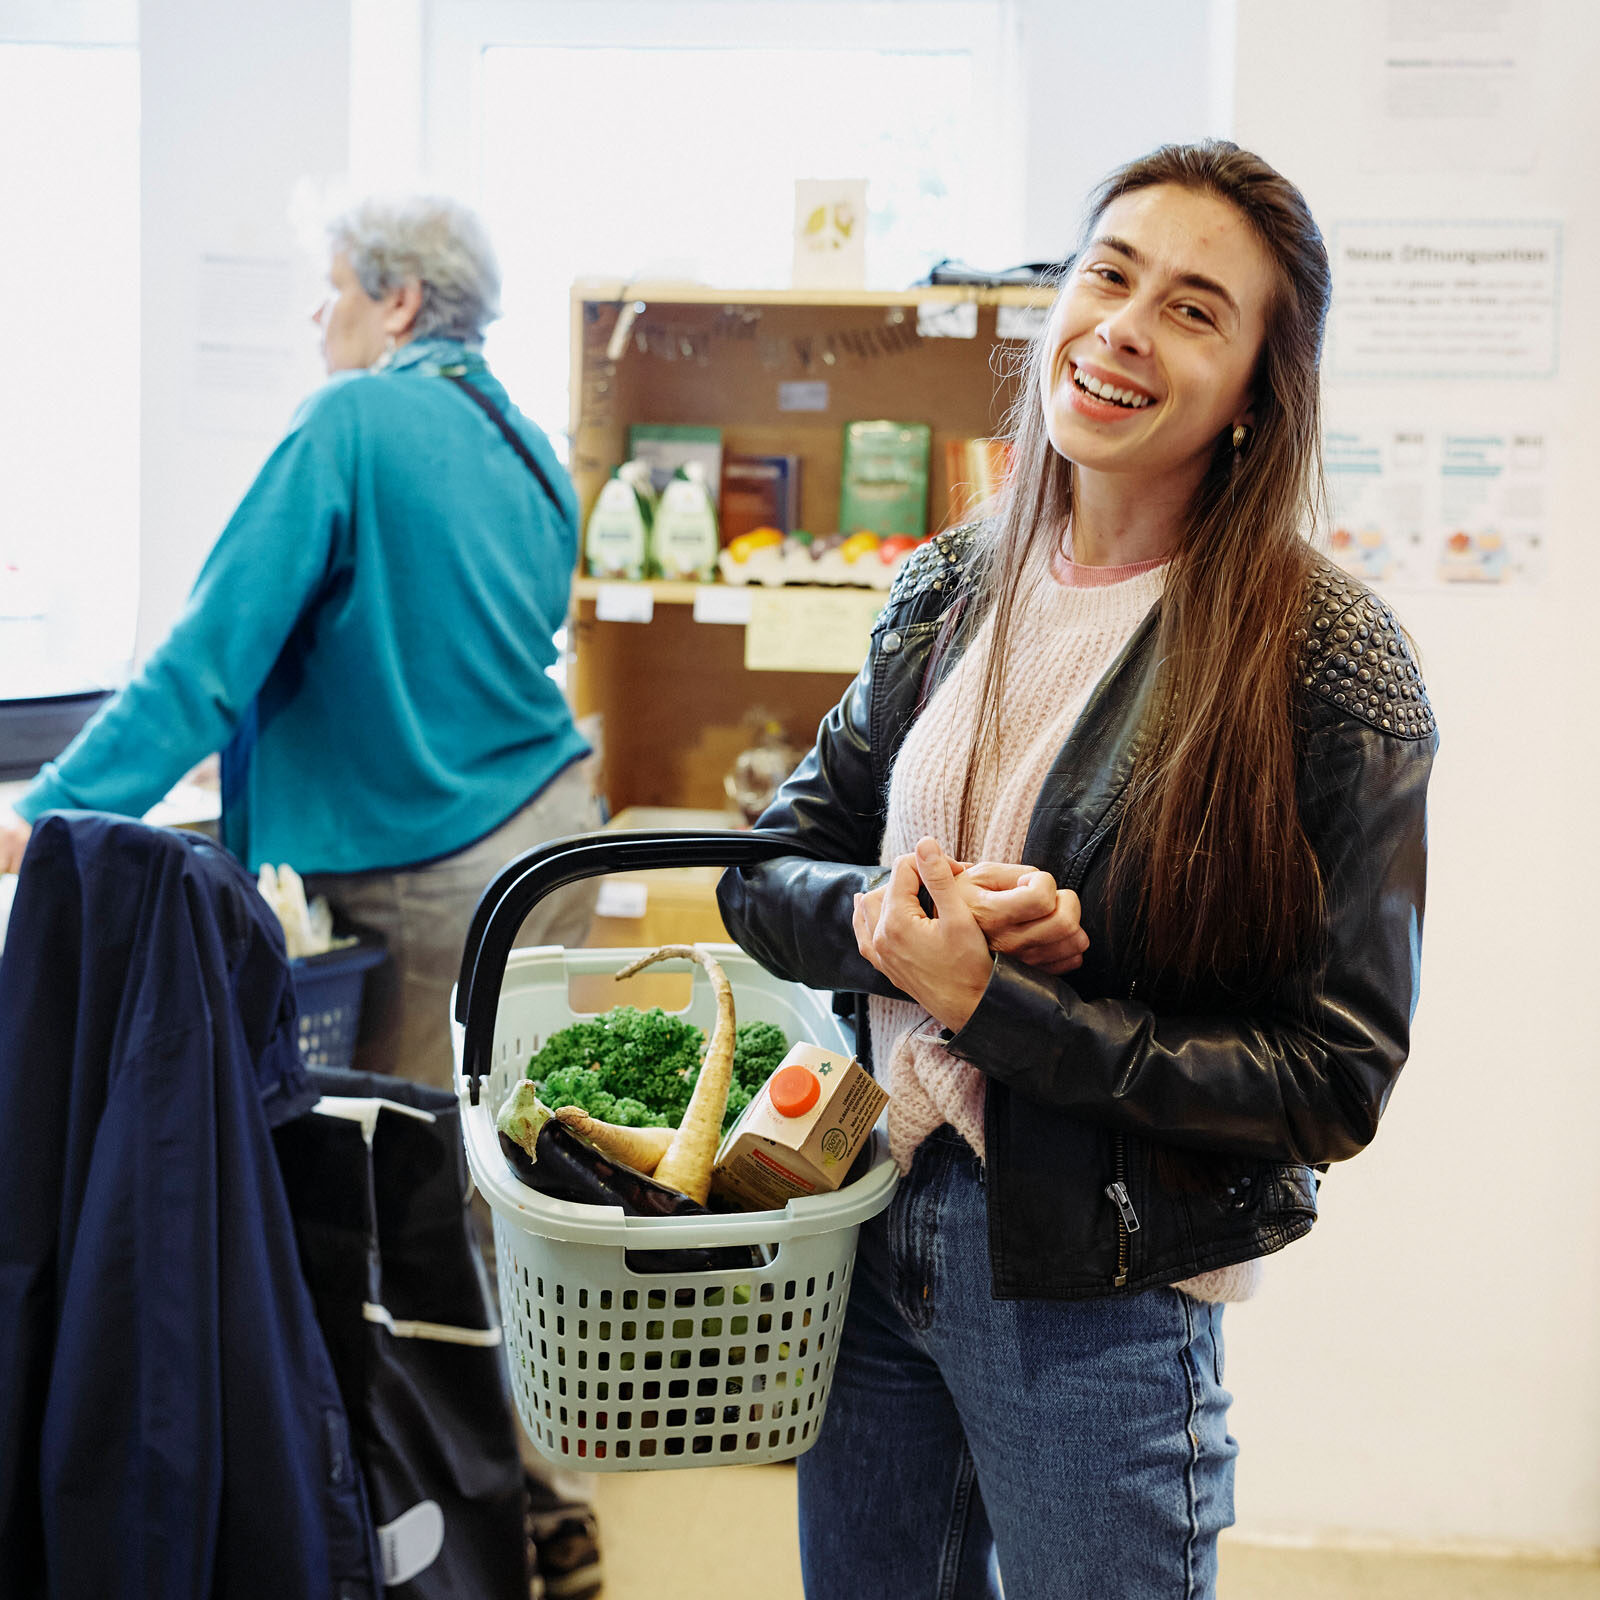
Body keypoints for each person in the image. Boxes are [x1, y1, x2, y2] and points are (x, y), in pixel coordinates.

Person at [717, 141, 1436, 1600]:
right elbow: (766, 869)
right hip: (864, 1229)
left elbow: (1333, 1077)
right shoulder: (945, 588)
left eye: (1194, 308)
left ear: (1256, 392)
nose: (1123, 325)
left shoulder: (1322, 660)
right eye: (1108, 275)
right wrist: (885, 930)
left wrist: (1001, 1008)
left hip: (1099, 1295)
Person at [0, 195, 602, 1597]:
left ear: (395, 304)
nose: (316, 322)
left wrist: (48, 817)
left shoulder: (349, 424)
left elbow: (209, 657)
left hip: (428, 875)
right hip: (544, 845)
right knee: (503, 1198)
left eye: (328, 293)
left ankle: (455, 1527)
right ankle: (541, 1509)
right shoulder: (529, 448)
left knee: (397, 1216)